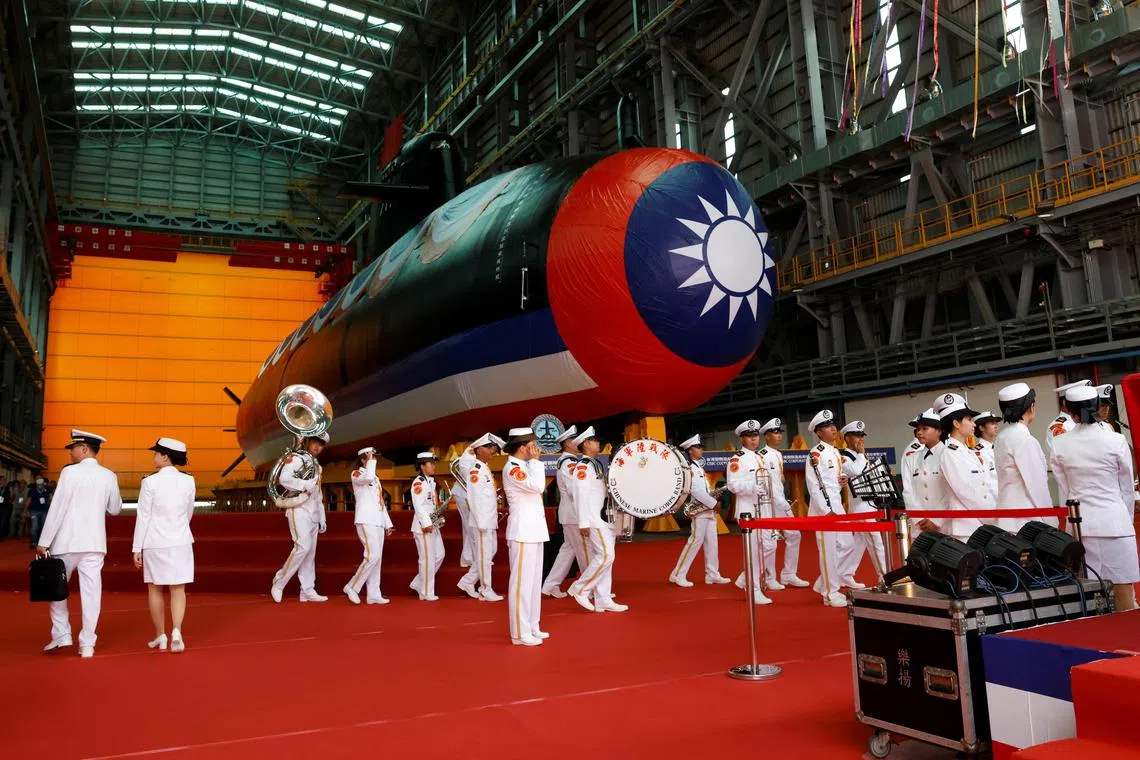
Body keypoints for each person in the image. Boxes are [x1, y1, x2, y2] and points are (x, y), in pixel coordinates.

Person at [35, 429, 123, 658]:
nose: (71, 452)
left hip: (66, 541)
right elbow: (114, 509)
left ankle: (62, 635)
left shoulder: (69, 474)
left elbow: (57, 509)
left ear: (84, 448)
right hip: (94, 543)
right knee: (92, 594)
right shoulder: (109, 475)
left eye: (73, 448)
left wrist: (44, 541)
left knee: (57, 590)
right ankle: (87, 644)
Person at [1051, 385, 1138, 612]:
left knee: (1087, 594)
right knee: (1124, 591)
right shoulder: (1115, 440)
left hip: (1082, 527)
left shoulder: (1060, 443)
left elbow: (1065, 491)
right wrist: (1124, 519)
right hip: (1116, 524)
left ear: (1070, 412)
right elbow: (1127, 488)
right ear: (1098, 407)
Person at [132, 438, 195, 653]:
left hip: (154, 542)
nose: (154, 457)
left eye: (156, 453)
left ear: (165, 456)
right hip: (181, 541)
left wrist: (136, 548)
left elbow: (143, 517)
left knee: (155, 588)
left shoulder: (149, 482)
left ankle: (161, 635)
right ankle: (177, 630)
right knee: (179, 588)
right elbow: (189, 514)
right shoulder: (189, 481)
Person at [567, 427, 628, 613]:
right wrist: (583, 522)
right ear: (586, 444)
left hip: (602, 518)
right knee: (606, 556)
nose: (598, 443)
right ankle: (580, 589)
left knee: (606, 559)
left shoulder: (595, 464)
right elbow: (579, 495)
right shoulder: (583, 467)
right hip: (593, 519)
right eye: (594, 440)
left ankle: (603, 599)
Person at [502, 427, 550, 646]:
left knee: (532, 583)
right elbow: (537, 486)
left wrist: (533, 463)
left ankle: (532, 625)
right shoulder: (513, 468)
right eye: (532, 445)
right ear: (523, 447)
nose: (535, 449)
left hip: (534, 530)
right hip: (522, 532)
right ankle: (520, 633)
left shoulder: (525, 465)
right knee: (521, 584)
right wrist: (537, 462)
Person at [270, 432, 329, 603]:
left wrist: (322, 516)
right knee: (302, 547)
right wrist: (304, 484)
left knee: (309, 553)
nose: (317, 447)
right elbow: (284, 479)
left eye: (321, 444)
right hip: (298, 508)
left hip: (313, 512)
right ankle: (279, 582)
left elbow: (317, 493)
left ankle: (307, 590)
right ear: (309, 441)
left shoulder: (317, 465)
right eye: (315, 442)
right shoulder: (296, 458)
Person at [669, 434, 730, 587]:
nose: (701, 449)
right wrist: (713, 502)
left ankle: (712, 574)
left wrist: (713, 497)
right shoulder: (691, 468)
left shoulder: (698, 467)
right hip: (700, 510)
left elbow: (704, 489)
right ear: (690, 451)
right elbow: (695, 491)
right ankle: (678, 574)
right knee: (694, 542)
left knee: (712, 543)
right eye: (698, 447)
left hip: (707, 510)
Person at [804, 410, 850, 608]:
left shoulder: (834, 451)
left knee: (847, 544)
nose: (833, 429)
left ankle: (824, 581)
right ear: (819, 433)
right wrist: (825, 510)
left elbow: (833, 482)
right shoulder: (816, 454)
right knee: (828, 550)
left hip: (837, 504)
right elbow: (815, 485)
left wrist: (842, 481)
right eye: (827, 427)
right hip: (825, 509)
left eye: (833, 425)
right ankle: (830, 593)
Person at [994, 383, 1054, 531]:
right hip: (1026, 520)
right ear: (1030, 407)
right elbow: (1037, 486)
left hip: (1006, 517)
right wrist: (1051, 521)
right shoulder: (1025, 440)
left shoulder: (1002, 437)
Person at [936, 393, 996, 541]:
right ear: (956, 423)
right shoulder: (950, 453)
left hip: (978, 525)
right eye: (969, 420)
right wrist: (992, 519)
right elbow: (966, 491)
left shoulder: (967, 451)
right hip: (965, 528)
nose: (974, 424)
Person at [756, 418, 807, 589]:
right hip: (769, 504)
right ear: (766, 437)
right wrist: (781, 502)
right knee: (771, 540)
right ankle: (770, 578)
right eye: (775, 433)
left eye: (779, 433)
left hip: (781, 503)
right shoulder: (761, 456)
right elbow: (765, 483)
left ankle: (789, 574)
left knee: (794, 535)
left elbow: (778, 482)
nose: (779, 436)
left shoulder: (778, 454)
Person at [727, 419, 774, 605]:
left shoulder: (760, 457)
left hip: (764, 509)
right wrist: (752, 487)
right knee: (754, 552)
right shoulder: (737, 459)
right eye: (749, 436)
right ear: (742, 438)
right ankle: (754, 589)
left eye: (755, 436)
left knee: (768, 547)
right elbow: (732, 485)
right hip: (748, 510)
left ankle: (744, 578)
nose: (754, 440)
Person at [457, 433, 506, 601]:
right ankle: (486, 589)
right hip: (482, 521)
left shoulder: (484, 468)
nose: (492, 451)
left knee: (491, 551)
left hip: (489, 519)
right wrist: (481, 522)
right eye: (489, 448)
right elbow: (474, 499)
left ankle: (468, 581)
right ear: (479, 450)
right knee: (485, 554)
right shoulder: (476, 470)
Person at [839, 421, 887, 584]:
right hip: (858, 506)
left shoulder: (861, 455)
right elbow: (855, 471)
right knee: (875, 540)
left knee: (858, 543)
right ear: (847, 438)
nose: (861, 439)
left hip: (868, 502)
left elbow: (868, 474)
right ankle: (885, 576)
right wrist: (860, 455)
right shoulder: (843, 456)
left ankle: (845, 573)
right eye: (857, 436)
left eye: (862, 436)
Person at [344, 447, 393, 605]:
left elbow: (380, 501)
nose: (375, 460)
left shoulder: (375, 477)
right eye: (372, 457)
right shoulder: (357, 474)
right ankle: (352, 586)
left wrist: (387, 523)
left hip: (377, 520)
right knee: (372, 556)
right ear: (363, 459)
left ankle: (373, 593)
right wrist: (370, 461)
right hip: (365, 520)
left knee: (377, 558)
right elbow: (368, 478)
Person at [541, 425, 581, 598]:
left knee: (568, 550)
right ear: (567, 444)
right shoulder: (569, 463)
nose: (578, 443)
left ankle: (550, 585)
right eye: (574, 440)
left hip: (570, 513)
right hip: (574, 513)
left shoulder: (568, 461)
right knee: (585, 550)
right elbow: (575, 489)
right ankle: (591, 587)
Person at [409, 451, 445, 601]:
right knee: (427, 559)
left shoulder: (430, 481)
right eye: (431, 463)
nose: (433, 466)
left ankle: (419, 582)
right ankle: (425, 592)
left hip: (433, 524)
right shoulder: (419, 483)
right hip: (423, 526)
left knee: (440, 554)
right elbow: (418, 506)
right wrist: (426, 524)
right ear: (423, 466)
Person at [905, 408, 946, 537]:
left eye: (925, 429)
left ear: (939, 431)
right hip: (920, 528)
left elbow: (952, 492)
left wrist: (936, 520)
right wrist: (919, 519)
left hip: (945, 525)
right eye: (918, 429)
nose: (919, 433)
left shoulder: (948, 455)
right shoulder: (911, 457)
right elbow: (908, 491)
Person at [1047, 379, 1092, 458]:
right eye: (1079, 400)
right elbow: (1063, 456)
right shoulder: (1059, 426)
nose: (1084, 404)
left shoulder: (1086, 420)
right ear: (1065, 402)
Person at [450, 441, 477, 571]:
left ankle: (468, 558)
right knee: (469, 526)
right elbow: (472, 479)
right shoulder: (468, 458)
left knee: (469, 527)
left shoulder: (473, 457)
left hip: (467, 495)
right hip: (463, 494)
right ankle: (472, 558)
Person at [972, 410, 1000, 503]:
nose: (996, 426)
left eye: (996, 423)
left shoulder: (997, 448)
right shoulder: (978, 452)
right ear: (981, 428)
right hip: (992, 502)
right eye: (992, 423)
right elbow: (986, 482)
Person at [24, 476, 51, 548]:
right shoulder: (32, 490)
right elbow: (28, 500)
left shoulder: (46, 490)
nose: (40, 484)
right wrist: (25, 510)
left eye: (41, 483)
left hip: (44, 511)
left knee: (43, 527)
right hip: (34, 511)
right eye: (38, 480)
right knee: (34, 527)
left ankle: (42, 542)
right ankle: (33, 542)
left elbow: (49, 499)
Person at [0, 473, 10, 542]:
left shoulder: (7, 489)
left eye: (5, 480)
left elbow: (8, 497)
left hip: (4, 507)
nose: (5, 481)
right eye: (3, 480)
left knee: (3, 522)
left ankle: (0, 536)